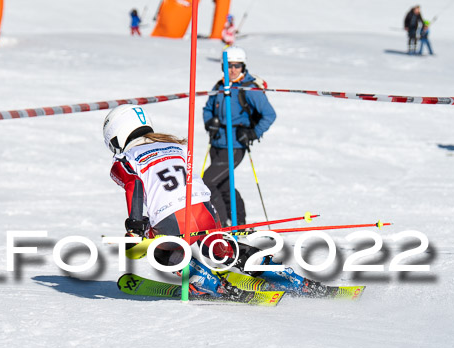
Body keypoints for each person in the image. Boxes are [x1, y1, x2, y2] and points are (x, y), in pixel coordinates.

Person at [104, 104, 328, 299]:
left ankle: (208, 283)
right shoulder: (177, 146)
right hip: (204, 209)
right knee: (220, 248)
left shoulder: (124, 159)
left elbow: (135, 186)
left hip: (170, 218)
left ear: (117, 136)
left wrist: (135, 229)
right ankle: (290, 278)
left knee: (159, 251)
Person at [202, 46, 276, 227]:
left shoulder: (249, 88)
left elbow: (269, 114)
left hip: (235, 145)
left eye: (237, 66)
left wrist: (252, 132)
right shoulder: (220, 86)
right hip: (217, 143)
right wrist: (209, 121)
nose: (233, 70)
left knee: (207, 183)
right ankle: (239, 223)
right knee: (224, 186)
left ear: (243, 67)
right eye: (229, 66)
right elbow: (207, 108)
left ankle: (222, 225)